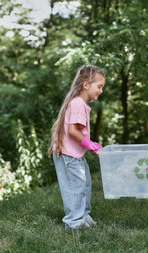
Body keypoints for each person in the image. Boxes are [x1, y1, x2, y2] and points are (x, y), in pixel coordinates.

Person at [48, 65, 105, 230]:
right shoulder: (78, 103)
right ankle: (74, 222)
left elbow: (76, 130)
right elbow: (73, 131)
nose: (101, 91)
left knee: (84, 184)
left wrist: (90, 144)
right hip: (69, 155)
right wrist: (89, 144)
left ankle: (83, 217)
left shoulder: (80, 103)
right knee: (76, 188)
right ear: (86, 84)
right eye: (99, 86)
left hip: (75, 155)